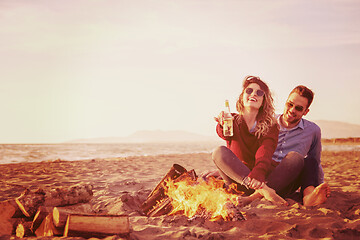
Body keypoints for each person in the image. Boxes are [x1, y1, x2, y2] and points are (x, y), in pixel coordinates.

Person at [210, 75, 287, 205]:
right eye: (249, 90)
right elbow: (225, 135)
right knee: (218, 151)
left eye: (259, 92)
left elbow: (265, 151)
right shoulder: (232, 120)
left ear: (264, 101)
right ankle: (263, 191)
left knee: (295, 159)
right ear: (242, 97)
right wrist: (222, 125)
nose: (254, 94)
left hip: (261, 177)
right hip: (240, 181)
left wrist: (258, 173)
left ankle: (256, 194)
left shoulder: (271, 126)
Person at [265, 85, 331, 206]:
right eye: (290, 104)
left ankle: (309, 196)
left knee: (302, 159)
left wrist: (318, 185)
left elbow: (314, 161)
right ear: (285, 102)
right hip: (263, 178)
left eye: (299, 108)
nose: (292, 110)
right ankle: (264, 192)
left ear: (306, 112)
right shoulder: (267, 121)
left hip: (288, 182)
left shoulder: (313, 130)